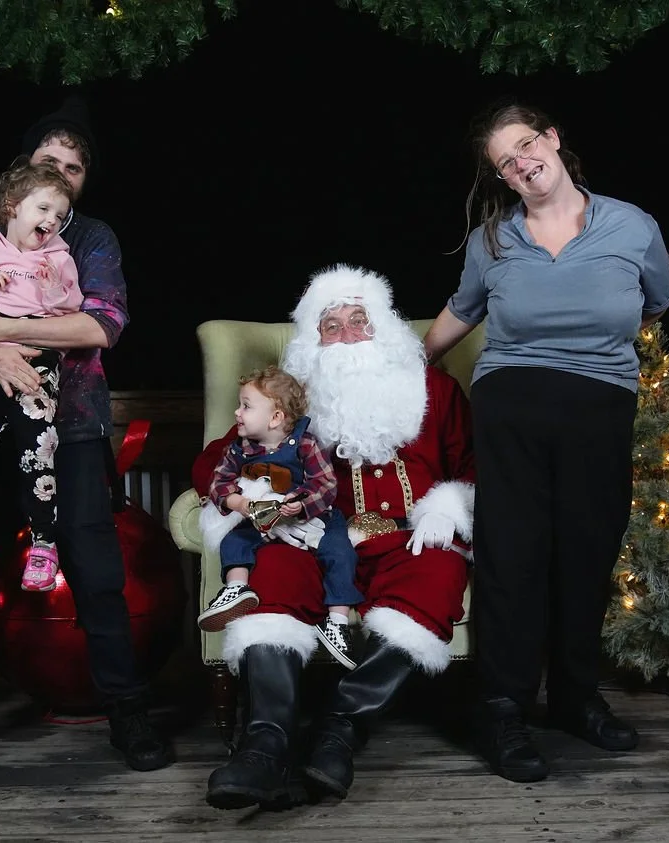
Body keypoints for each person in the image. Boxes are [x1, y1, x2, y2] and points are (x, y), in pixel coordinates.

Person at [0, 96, 172, 777]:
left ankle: (127, 713)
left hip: (69, 428)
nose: (64, 175)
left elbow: (100, 325)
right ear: (23, 171)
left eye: (75, 168)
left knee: (99, 577)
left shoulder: (92, 241)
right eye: (51, 162)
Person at [423, 102, 669, 784]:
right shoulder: (494, 240)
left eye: (527, 144)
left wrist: (591, 339)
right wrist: (411, 357)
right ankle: (502, 704)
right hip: (511, 403)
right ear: (502, 176)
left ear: (554, 139)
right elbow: (462, 309)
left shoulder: (632, 226)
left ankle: (573, 698)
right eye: (506, 160)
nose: (522, 162)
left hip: (599, 405)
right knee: (513, 554)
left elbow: (653, 302)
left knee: (587, 549)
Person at [194, 264, 475, 809]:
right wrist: (245, 498)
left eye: (358, 321)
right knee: (270, 575)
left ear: (384, 331)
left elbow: (474, 465)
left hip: (407, 539)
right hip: (317, 537)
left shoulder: (436, 390)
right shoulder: (291, 403)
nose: (346, 335)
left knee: (439, 576)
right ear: (312, 342)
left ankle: (337, 729)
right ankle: (265, 742)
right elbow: (215, 460)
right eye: (331, 325)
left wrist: (453, 503)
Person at [0, 161, 82, 594]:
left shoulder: (58, 256)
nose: (51, 221)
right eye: (43, 208)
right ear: (12, 206)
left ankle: (44, 543)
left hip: (38, 359)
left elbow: (74, 307)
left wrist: (52, 288)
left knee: (36, 448)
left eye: (59, 216)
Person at [197, 366, 364, 668]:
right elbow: (218, 483)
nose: (237, 412)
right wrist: (240, 503)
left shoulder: (306, 444)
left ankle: (336, 623)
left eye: (246, 406)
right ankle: (236, 588)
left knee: (340, 554)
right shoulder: (240, 449)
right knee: (234, 540)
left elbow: (325, 484)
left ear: (276, 418)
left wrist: (300, 504)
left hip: (315, 519)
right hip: (262, 520)